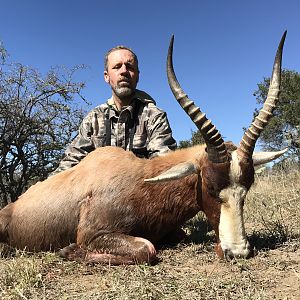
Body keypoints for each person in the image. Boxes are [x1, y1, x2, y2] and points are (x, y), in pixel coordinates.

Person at [53, 45, 177, 174]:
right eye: (117, 67)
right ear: (106, 76)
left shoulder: (154, 116)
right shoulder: (93, 118)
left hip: (142, 191)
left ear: (137, 76)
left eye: (130, 67)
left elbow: (163, 167)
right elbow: (70, 165)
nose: (124, 71)